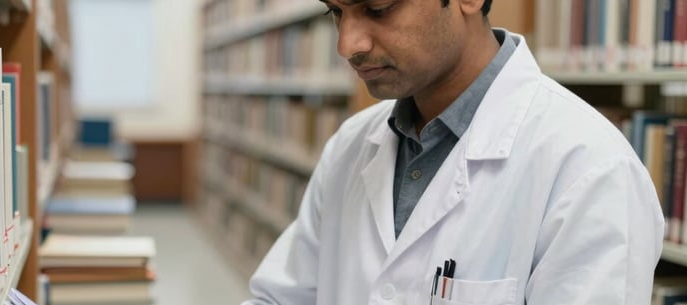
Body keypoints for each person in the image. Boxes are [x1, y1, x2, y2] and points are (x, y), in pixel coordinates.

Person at [241, 0, 665, 304]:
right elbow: (281, 296)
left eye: (378, 9)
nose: (347, 44)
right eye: (335, 12)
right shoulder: (350, 145)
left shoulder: (589, 168)